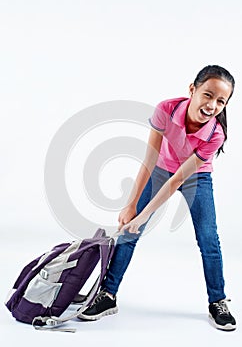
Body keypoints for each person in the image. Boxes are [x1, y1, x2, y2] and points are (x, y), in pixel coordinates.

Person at [79, 65, 237, 331]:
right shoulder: (166, 109)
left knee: (209, 239)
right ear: (192, 89)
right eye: (208, 95)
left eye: (221, 101)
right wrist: (131, 205)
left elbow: (178, 180)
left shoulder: (215, 134)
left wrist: (142, 217)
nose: (212, 105)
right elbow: (149, 160)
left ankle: (217, 301)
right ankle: (108, 295)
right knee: (128, 233)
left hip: (196, 177)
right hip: (161, 169)